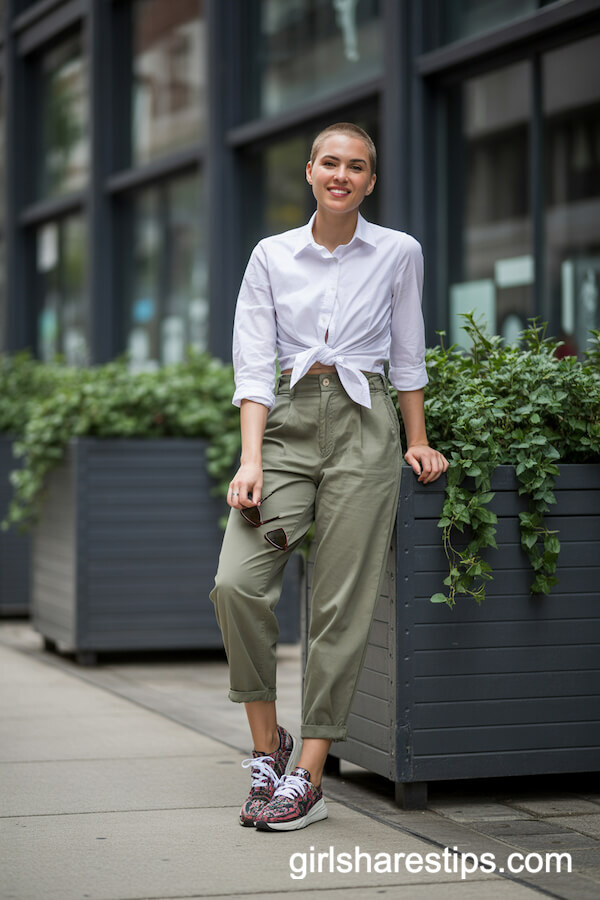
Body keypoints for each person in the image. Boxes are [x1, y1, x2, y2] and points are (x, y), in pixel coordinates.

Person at [209, 122, 448, 832]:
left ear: (371, 181)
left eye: (358, 166)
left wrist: (419, 440)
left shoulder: (399, 252)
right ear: (310, 172)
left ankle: (307, 773)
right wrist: (251, 458)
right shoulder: (271, 256)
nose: (343, 175)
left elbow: (407, 354)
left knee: (339, 604)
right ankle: (266, 747)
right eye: (331, 163)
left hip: (363, 422)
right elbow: (252, 364)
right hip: (284, 424)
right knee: (237, 583)